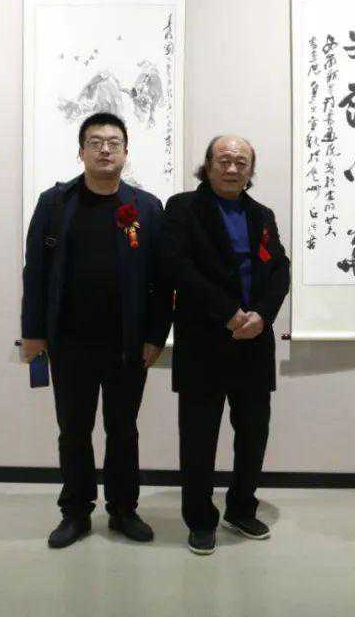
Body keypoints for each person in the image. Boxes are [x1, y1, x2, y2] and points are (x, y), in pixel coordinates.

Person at [21, 111, 171, 549]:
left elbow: (163, 281)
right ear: (81, 151)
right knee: (73, 430)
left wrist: (155, 336)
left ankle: (123, 510)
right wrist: (33, 333)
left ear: (126, 152)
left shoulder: (147, 208)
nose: (105, 149)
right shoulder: (55, 204)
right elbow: (35, 272)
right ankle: (76, 512)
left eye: (113, 142)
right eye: (95, 142)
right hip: (69, 341)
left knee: (123, 429)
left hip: (128, 343)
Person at [161, 135, 289, 555]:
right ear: (208, 164)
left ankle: (241, 507)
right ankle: (200, 519)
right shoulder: (183, 208)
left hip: (254, 342)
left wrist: (262, 316)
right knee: (199, 438)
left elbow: (280, 269)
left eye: (241, 162)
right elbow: (178, 267)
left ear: (251, 170)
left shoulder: (261, 214)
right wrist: (228, 313)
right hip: (204, 342)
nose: (232, 168)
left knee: (253, 433)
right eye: (224, 160)